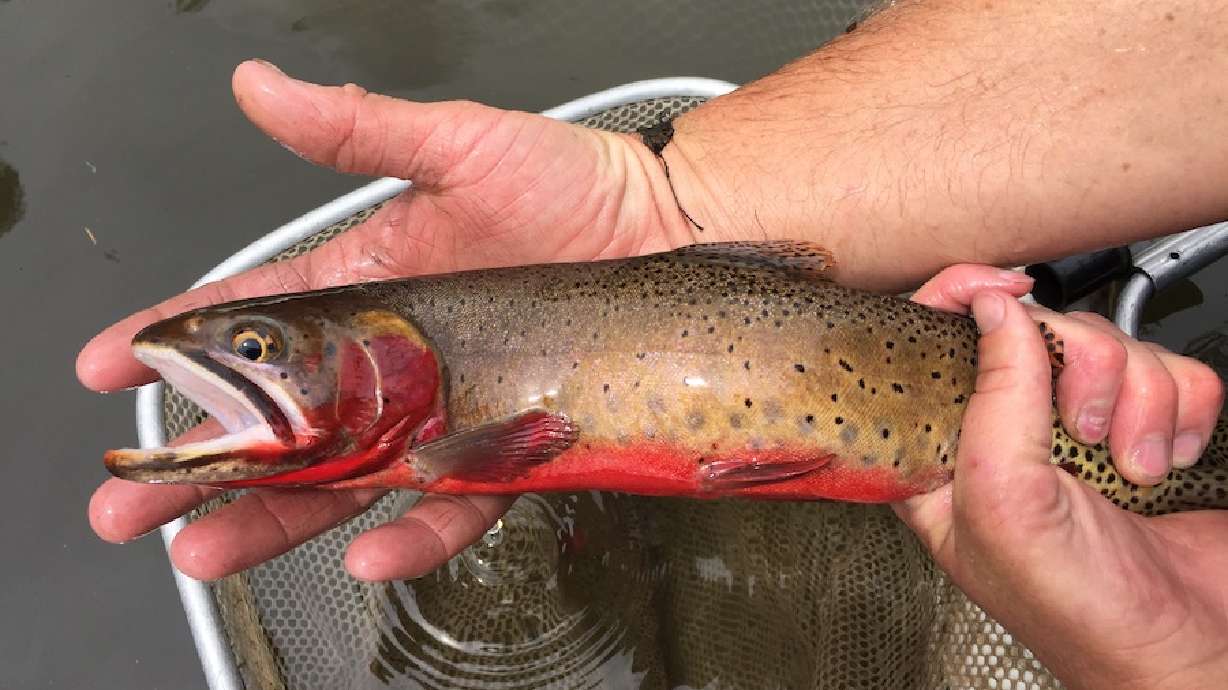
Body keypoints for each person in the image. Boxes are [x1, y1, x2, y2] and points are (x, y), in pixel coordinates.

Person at [78, 1, 1228, 687]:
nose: (229, 369)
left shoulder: (448, 443)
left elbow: (522, 443)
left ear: (395, 360)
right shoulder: (430, 427)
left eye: (255, 348)